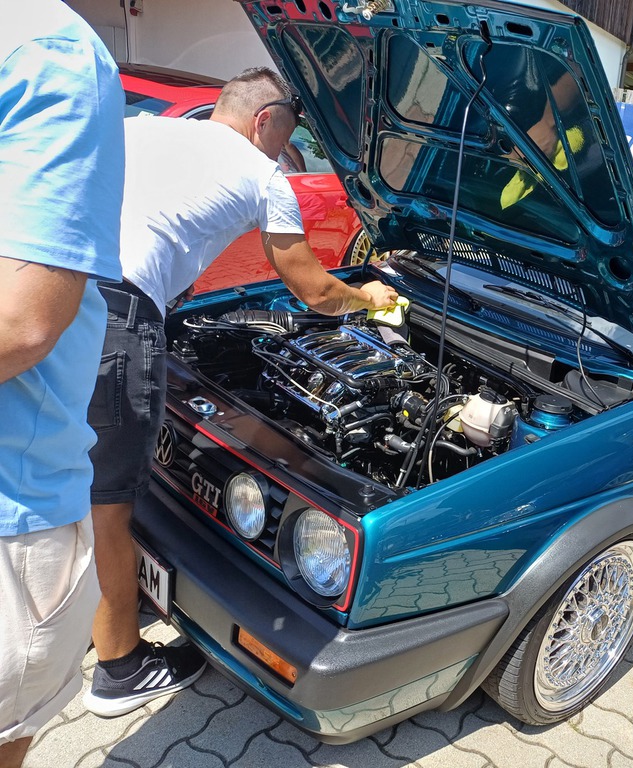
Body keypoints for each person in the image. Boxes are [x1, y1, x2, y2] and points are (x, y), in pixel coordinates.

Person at [83, 67, 398, 718]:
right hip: (117, 318)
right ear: (264, 120)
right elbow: (314, 290)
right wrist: (368, 299)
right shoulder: (262, 175)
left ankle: (95, 606)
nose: (288, 147)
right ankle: (119, 667)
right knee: (108, 502)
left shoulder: (146, 130)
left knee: (75, 475)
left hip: (58, 293)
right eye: (290, 131)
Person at [0, 4, 125, 766]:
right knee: (120, 491)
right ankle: (121, 664)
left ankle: (121, 661)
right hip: (121, 302)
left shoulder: (44, 49)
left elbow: (23, 321)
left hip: (15, 514)